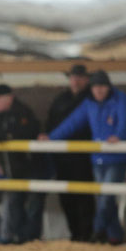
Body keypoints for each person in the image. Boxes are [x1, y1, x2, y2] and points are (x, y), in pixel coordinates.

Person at [44, 70, 126, 244]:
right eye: (96, 87)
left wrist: (119, 136)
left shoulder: (120, 99)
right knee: (104, 198)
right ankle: (115, 235)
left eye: (102, 87)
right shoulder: (88, 104)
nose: (99, 91)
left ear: (109, 87)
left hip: (116, 159)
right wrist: (51, 137)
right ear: (91, 89)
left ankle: (97, 231)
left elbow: (125, 120)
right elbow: (72, 123)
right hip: (98, 159)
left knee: (106, 198)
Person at [0, 84, 41, 243]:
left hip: (25, 172)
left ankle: (8, 238)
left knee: (13, 200)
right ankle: (0, 233)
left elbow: (26, 133)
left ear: (10, 97)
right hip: (6, 172)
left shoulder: (23, 112)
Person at [45, 64, 95, 241]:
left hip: (84, 157)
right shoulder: (60, 99)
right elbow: (51, 122)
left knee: (84, 197)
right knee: (66, 197)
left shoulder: (91, 98)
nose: (75, 80)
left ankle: (86, 234)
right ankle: (75, 233)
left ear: (86, 79)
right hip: (63, 157)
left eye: (79, 77)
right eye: (73, 77)